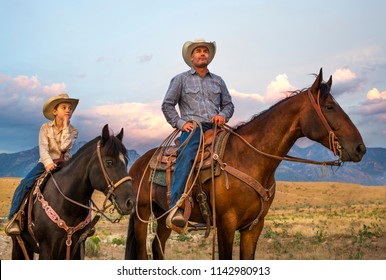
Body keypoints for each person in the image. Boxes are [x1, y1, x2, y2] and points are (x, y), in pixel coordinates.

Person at [161, 39, 234, 228]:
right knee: (185, 156)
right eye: (198, 51)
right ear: (191, 57)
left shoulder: (218, 81)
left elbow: (228, 104)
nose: (203, 54)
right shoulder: (181, 79)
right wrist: (180, 123)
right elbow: (167, 104)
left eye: (205, 51)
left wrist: (223, 115)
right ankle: (176, 206)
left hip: (216, 128)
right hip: (193, 128)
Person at [5, 93, 79, 235]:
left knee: (81, 184)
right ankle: (14, 218)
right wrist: (48, 163)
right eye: (64, 107)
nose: (68, 110)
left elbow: (65, 147)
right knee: (25, 183)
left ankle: (85, 221)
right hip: (47, 163)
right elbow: (43, 148)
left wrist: (65, 125)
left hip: (66, 165)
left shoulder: (73, 131)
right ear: (55, 111)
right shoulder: (45, 128)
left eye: (70, 108)